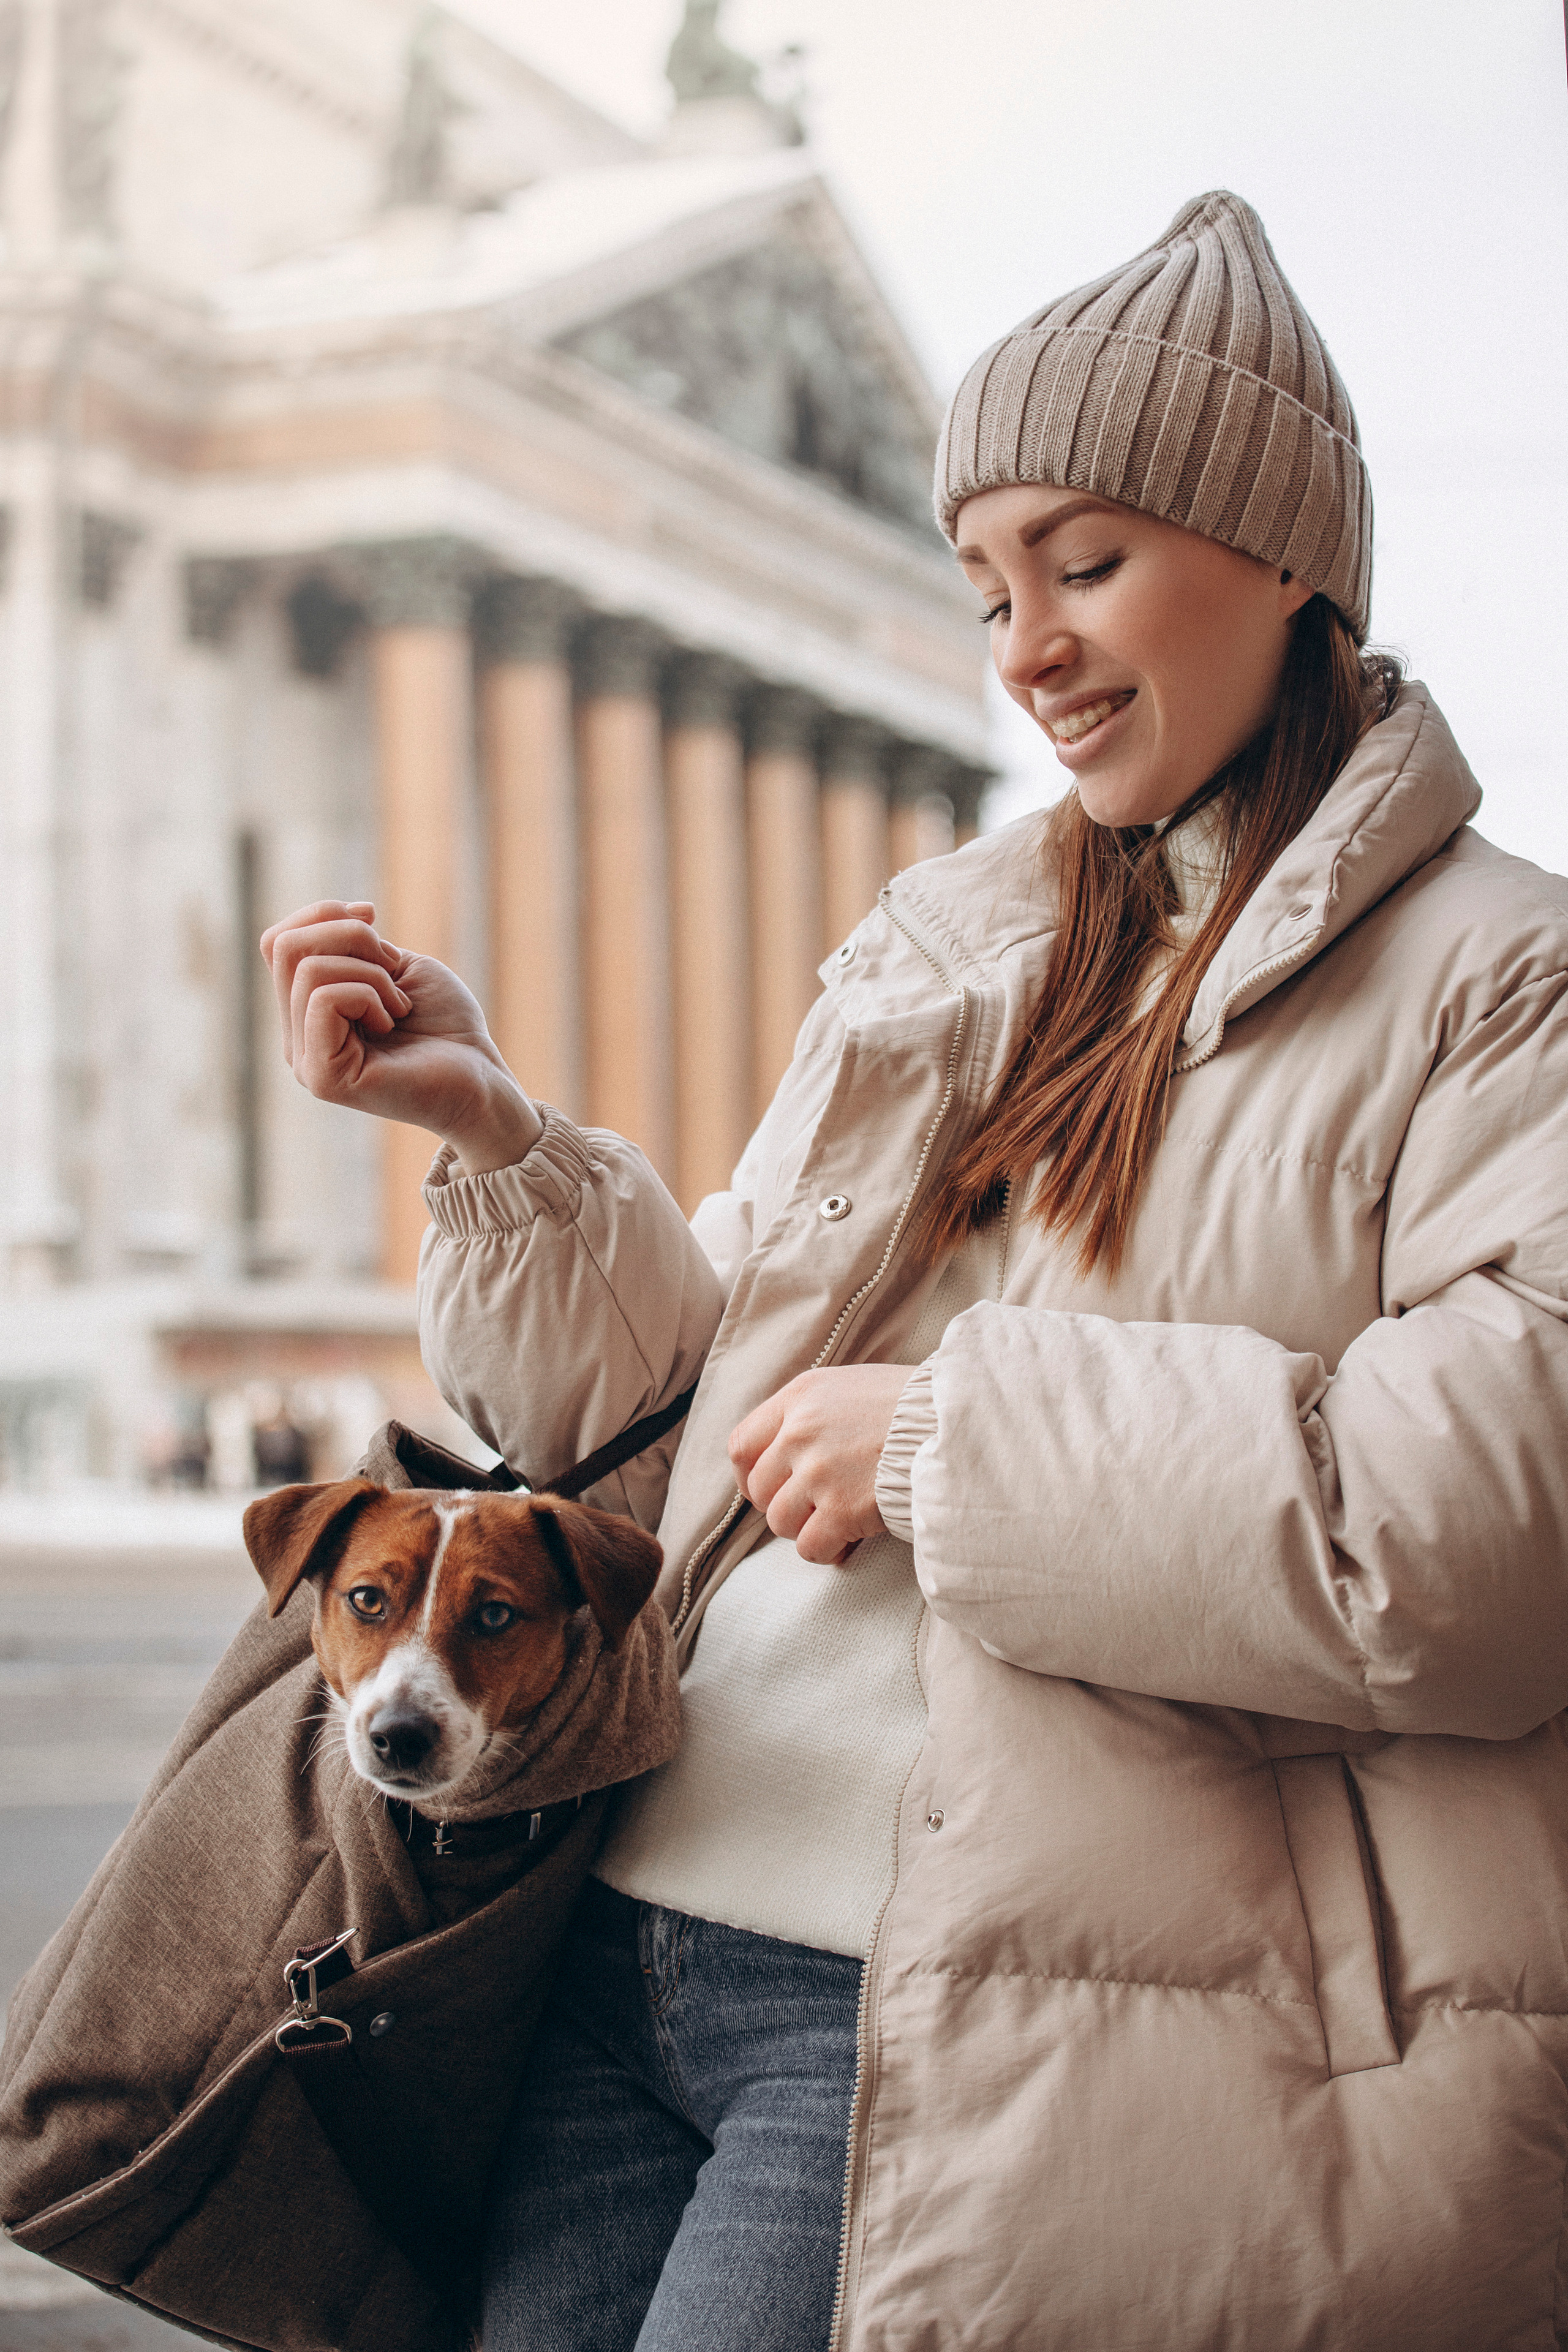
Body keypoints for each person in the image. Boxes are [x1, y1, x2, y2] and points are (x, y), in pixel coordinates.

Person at [261, 192, 1568, 2351]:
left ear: (1283, 552)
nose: (1027, 646)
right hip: (621, 1926)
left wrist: (954, 1442)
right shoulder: (948, 942)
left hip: (945, 1995)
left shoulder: (1501, 981)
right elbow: (684, 1409)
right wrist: (496, 1136)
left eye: (1086, 561)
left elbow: (1479, 1534)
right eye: (987, 590)